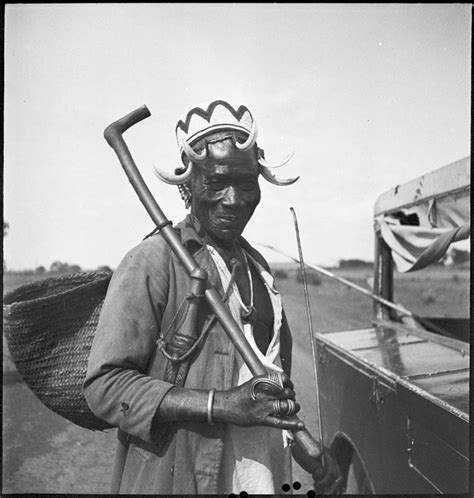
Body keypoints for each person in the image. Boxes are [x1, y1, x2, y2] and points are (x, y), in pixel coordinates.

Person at [84, 99, 342, 494]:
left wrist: (299, 438)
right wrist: (219, 405)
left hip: (263, 475)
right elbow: (105, 386)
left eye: (245, 183)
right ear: (187, 187)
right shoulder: (153, 262)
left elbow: (267, 374)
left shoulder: (258, 268)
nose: (234, 199)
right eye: (217, 183)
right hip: (181, 477)